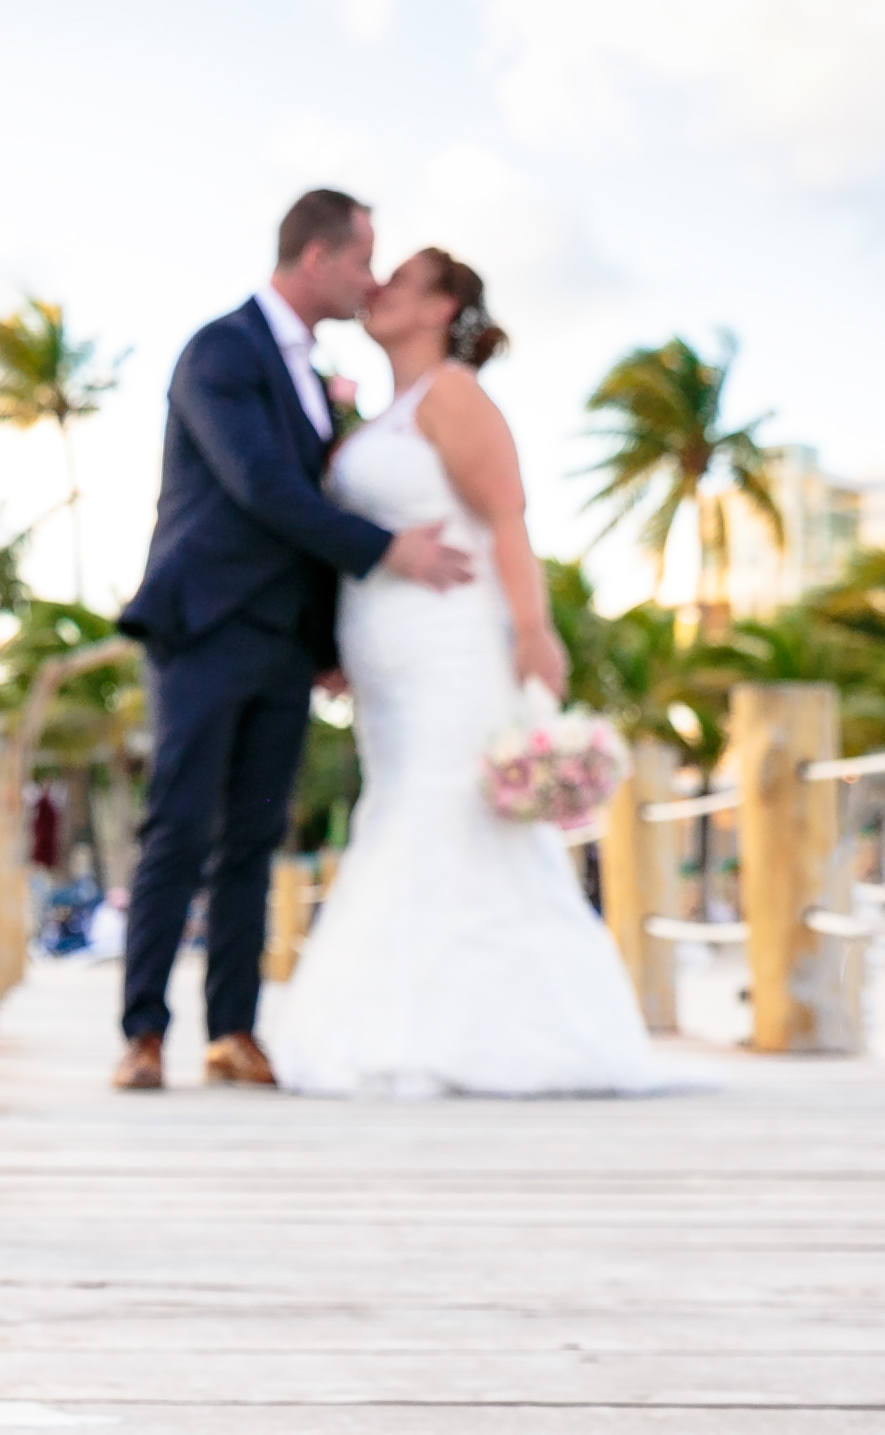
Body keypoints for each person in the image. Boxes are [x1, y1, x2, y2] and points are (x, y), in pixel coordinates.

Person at [262, 248, 677, 1099]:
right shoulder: (383, 413)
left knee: (450, 813)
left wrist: (533, 631)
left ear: (442, 306)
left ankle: (482, 1036)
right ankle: (399, 1024)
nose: (378, 289)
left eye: (401, 281)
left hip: (454, 647)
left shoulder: (453, 394)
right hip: (388, 663)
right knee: (399, 811)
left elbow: (506, 517)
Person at [112, 190, 475, 1091]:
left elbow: (308, 506)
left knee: (254, 837)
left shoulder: (315, 374)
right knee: (180, 825)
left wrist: (327, 642)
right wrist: (388, 549)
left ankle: (232, 1031)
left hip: (282, 646)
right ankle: (144, 1034)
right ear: (318, 257)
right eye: (362, 261)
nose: (370, 281)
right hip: (205, 627)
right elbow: (262, 487)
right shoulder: (221, 349)